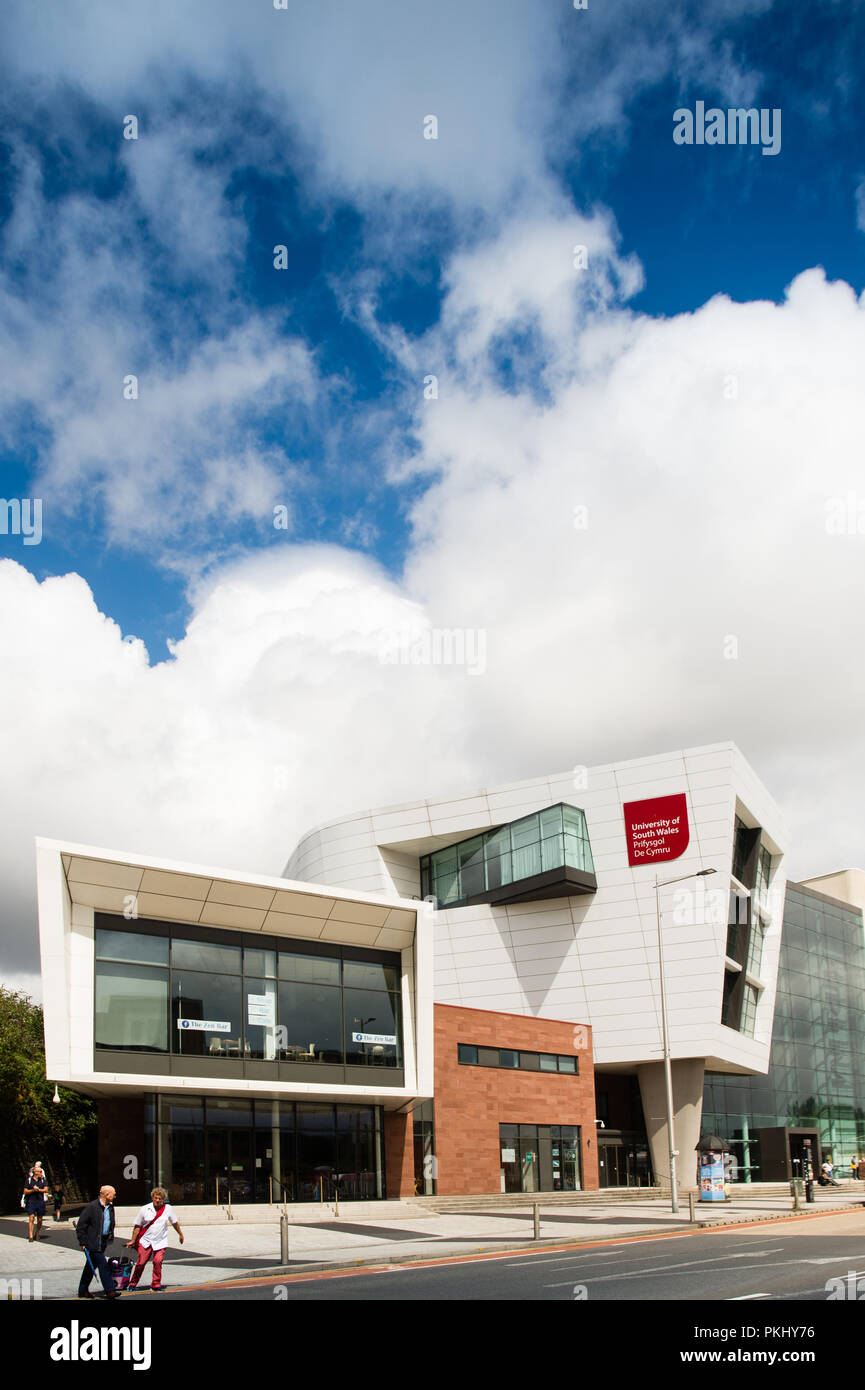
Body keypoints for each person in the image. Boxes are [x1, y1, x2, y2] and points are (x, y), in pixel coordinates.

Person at [126, 1187, 184, 1291]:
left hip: (160, 1241)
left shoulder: (168, 1209)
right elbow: (137, 1226)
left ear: (163, 1199)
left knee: (157, 1261)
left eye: (160, 1198)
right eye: (156, 1198)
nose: (157, 1200)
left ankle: (156, 1284)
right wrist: (133, 1240)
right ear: (152, 1198)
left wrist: (180, 1234)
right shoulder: (144, 1209)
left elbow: (174, 1222)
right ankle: (133, 1283)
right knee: (141, 1263)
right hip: (145, 1240)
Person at [76, 1185, 121, 1299]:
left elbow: (111, 1221)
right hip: (93, 1241)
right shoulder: (92, 1207)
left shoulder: (110, 1207)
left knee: (90, 1266)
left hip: (104, 1240)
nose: (115, 1196)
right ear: (107, 1195)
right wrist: (82, 1242)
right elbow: (81, 1226)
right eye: (113, 1194)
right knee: (103, 1265)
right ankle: (110, 1290)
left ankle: (82, 1290)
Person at [24, 1162, 49, 1241]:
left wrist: (38, 1190)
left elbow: (46, 1189)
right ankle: (31, 1235)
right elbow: (25, 1191)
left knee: (40, 1219)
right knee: (31, 1217)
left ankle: (37, 1233)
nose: (40, 1173)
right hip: (31, 1201)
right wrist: (32, 1190)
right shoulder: (29, 1180)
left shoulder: (42, 1180)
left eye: (41, 1171)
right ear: (35, 1172)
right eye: (39, 1171)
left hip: (40, 1202)